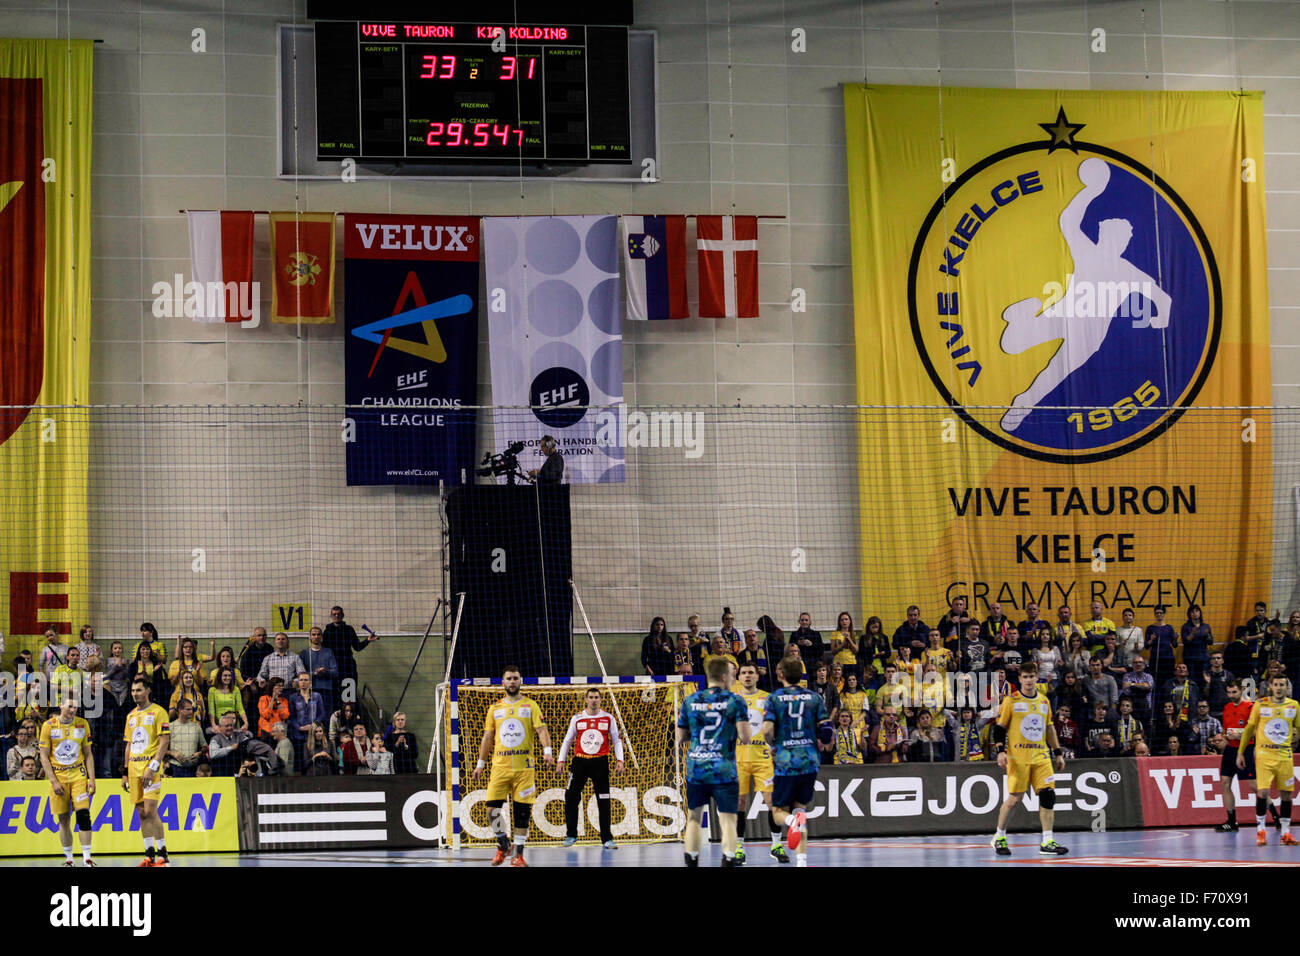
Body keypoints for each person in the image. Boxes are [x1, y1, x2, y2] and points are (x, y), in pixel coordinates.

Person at [471, 666, 555, 867]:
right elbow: (488, 737)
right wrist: (480, 765)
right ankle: (503, 843)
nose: (512, 681)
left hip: (524, 769)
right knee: (492, 810)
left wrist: (548, 751)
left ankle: (518, 856)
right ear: (503, 682)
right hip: (499, 768)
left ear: (521, 681)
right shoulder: (495, 708)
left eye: (515, 678)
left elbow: (541, 730)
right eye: (508, 678)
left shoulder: (530, 706)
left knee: (522, 814)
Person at [675, 657, 748, 867]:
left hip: (697, 767)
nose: (734, 679)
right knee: (728, 819)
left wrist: (696, 735)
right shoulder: (735, 701)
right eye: (733, 676)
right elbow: (745, 737)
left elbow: (680, 738)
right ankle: (728, 857)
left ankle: (692, 858)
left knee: (694, 817)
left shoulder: (690, 700)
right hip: (723, 769)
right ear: (724, 676)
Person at [991, 661, 1068, 857]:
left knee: (1048, 795)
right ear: (1020, 679)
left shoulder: (1044, 701)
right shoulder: (1012, 700)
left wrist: (1058, 752)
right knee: (1015, 799)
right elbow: (999, 728)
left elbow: (1049, 727)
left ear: (1036, 678)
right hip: (1018, 758)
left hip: (1041, 756)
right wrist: (1000, 751)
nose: (1028, 680)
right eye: (1024, 677)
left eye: (1031, 677)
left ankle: (1047, 841)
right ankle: (999, 836)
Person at [762, 656, 831, 868]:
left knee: (778, 810)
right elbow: (827, 730)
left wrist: (773, 746)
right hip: (809, 760)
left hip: (786, 760)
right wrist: (819, 742)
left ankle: (791, 822)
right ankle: (801, 861)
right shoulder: (813, 697)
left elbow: (766, 730)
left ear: (781, 674)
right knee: (800, 808)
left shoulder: (774, 698)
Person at [729, 662, 785, 864]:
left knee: (773, 803)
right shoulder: (732, 700)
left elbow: (777, 725)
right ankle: (738, 849)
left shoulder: (768, 698)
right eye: (743, 673)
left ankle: (776, 846)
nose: (747, 676)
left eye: (751, 672)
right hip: (738, 758)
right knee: (739, 805)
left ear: (757, 676)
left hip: (763, 757)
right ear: (738, 676)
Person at [557, 687, 625, 850]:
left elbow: (616, 740)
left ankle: (607, 839)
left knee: (604, 801)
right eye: (591, 697)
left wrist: (620, 759)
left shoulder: (608, 718)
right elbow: (567, 740)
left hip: (600, 763)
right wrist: (561, 760)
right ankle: (571, 835)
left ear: (601, 700)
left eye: (596, 697)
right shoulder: (577, 718)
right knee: (571, 797)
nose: (594, 700)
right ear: (586, 700)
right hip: (579, 762)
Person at [1237, 673, 1300, 846]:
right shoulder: (1261, 704)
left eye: (1282, 685)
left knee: (1287, 795)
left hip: (1285, 756)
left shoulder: (1294, 705)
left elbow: (1299, 728)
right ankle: (1261, 830)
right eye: (1276, 685)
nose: (1279, 688)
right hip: (1265, 755)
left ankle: (1286, 834)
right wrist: (1241, 752)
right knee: (1263, 793)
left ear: (1287, 687)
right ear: (1270, 686)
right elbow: (1249, 728)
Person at [38, 695, 96, 867]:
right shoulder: (48, 726)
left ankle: (87, 859)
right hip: (59, 778)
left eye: (76, 707)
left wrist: (91, 779)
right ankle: (69, 859)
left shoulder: (82, 724)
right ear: (61, 705)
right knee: (63, 820)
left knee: (84, 816)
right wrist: (54, 781)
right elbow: (43, 756)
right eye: (70, 706)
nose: (73, 710)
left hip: (79, 776)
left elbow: (88, 754)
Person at [122, 676, 171, 866]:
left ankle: (163, 853)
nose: (135, 694)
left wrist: (153, 766)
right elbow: (128, 745)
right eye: (133, 691)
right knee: (141, 812)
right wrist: (125, 772)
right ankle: (149, 854)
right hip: (134, 770)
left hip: (150, 769)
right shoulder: (131, 716)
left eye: (139, 690)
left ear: (147, 691)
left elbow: (164, 741)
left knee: (151, 811)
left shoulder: (159, 712)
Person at [1215, 679, 1257, 832]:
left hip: (1245, 749)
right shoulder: (1227, 707)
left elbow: (1255, 731)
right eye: (1229, 692)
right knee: (1225, 783)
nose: (1231, 695)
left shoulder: (1251, 707)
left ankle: (1276, 816)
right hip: (1230, 750)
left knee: (1254, 786)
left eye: (1234, 692)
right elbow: (1226, 732)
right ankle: (1231, 821)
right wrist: (1223, 738)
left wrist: (1239, 734)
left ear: (1241, 691)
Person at [322, 607, 378, 696]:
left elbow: (357, 647)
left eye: (339, 614)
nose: (336, 616)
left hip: (348, 667)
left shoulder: (349, 629)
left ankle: (350, 710)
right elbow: (323, 651)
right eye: (334, 614)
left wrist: (367, 640)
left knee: (350, 696)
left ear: (343, 615)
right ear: (331, 616)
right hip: (333, 668)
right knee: (335, 695)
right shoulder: (327, 632)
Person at [299, 627, 339, 717]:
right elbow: (301, 674)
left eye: (318, 634)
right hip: (310, 690)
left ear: (321, 637)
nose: (316, 636)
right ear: (309, 637)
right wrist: (314, 673)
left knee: (327, 715)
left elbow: (335, 672)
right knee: (311, 716)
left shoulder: (328, 652)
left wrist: (326, 671)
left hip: (326, 689)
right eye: (313, 634)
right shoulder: (304, 653)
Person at [289, 673, 326, 768]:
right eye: (301, 680)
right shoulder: (293, 697)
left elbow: (322, 713)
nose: (303, 682)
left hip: (313, 734)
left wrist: (313, 725)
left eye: (306, 680)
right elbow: (291, 716)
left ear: (310, 682)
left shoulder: (317, 696)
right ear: (298, 682)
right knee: (300, 761)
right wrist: (300, 728)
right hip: (298, 734)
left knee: (312, 761)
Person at [166, 698, 206, 778]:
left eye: (192, 709)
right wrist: (173, 753)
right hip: (174, 768)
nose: (191, 712)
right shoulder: (170, 727)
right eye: (188, 709)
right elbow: (159, 749)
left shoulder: (196, 727)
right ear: (180, 710)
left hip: (192, 769)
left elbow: (205, 747)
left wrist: (199, 753)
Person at [207, 666, 247, 734]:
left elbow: (240, 708)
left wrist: (246, 723)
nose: (227, 678)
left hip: (233, 723)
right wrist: (214, 725)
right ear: (220, 677)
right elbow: (211, 710)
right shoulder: (212, 690)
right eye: (225, 675)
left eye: (229, 676)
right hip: (220, 724)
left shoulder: (236, 689)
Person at [1145, 605, 1178, 687]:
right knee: (1155, 681)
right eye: (1157, 613)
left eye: (1161, 613)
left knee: (1169, 680)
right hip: (1155, 659)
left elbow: (1175, 645)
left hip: (1168, 659)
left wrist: (1175, 638)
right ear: (1154, 614)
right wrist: (1151, 639)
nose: (1159, 614)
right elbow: (1146, 646)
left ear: (1164, 614)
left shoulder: (1169, 628)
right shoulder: (1150, 628)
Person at [828, 612, 859, 679]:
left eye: (846, 619)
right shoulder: (835, 633)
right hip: (838, 664)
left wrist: (849, 640)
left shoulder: (853, 634)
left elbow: (856, 650)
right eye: (842, 620)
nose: (844, 621)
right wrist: (842, 644)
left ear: (850, 621)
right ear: (839, 622)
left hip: (851, 663)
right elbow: (833, 651)